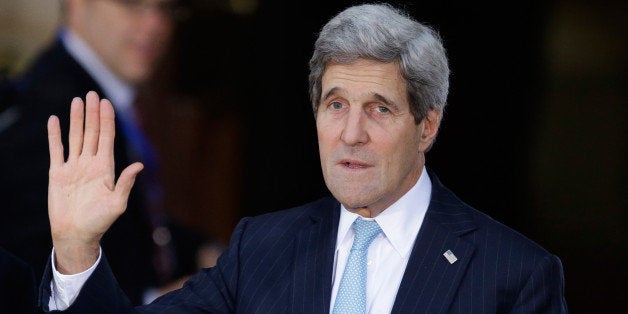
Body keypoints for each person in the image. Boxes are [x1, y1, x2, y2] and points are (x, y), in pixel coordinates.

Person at [39, 3, 568, 313]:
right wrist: (78, 251)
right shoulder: (260, 248)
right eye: (335, 104)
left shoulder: (515, 276)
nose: (351, 134)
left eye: (379, 109)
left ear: (427, 125)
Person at [0, 0, 205, 305]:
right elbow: (27, 272)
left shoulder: (106, 95)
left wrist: (204, 250)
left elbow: (132, 217)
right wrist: (152, 300)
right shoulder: (48, 114)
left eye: (165, 8)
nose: (155, 25)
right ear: (77, 4)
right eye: (133, 5)